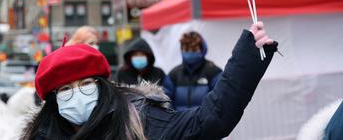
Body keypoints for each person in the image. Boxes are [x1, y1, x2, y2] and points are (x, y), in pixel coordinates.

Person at [21, 22, 277, 140]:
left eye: (85, 84)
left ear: (102, 86)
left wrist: (246, 59)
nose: (77, 94)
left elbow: (209, 121)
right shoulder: (41, 135)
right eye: (65, 89)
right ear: (53, 101)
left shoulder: (139, 121)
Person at [163, 31, 223, 111]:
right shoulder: (174, 74)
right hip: (180, 122)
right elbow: (165, 100)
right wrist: (173, 119)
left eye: (194, 49)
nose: (190, 52)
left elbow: (220, 100)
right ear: (181, 50)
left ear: (202, 50)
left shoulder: (214, 72)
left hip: (205, 122)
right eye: (186, 49)